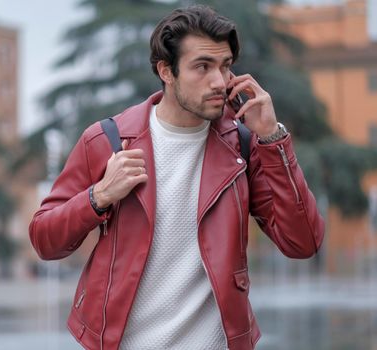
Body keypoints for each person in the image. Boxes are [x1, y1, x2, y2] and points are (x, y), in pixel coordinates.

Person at [29, 5, 324, 350]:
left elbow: (303, 243)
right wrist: (98, 197)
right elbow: (44, 240)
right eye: (202, 66)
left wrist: (273, 139)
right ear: (166, 71)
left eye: (225, 66)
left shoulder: (243, 147)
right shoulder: (106, 141)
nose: (219, 81)